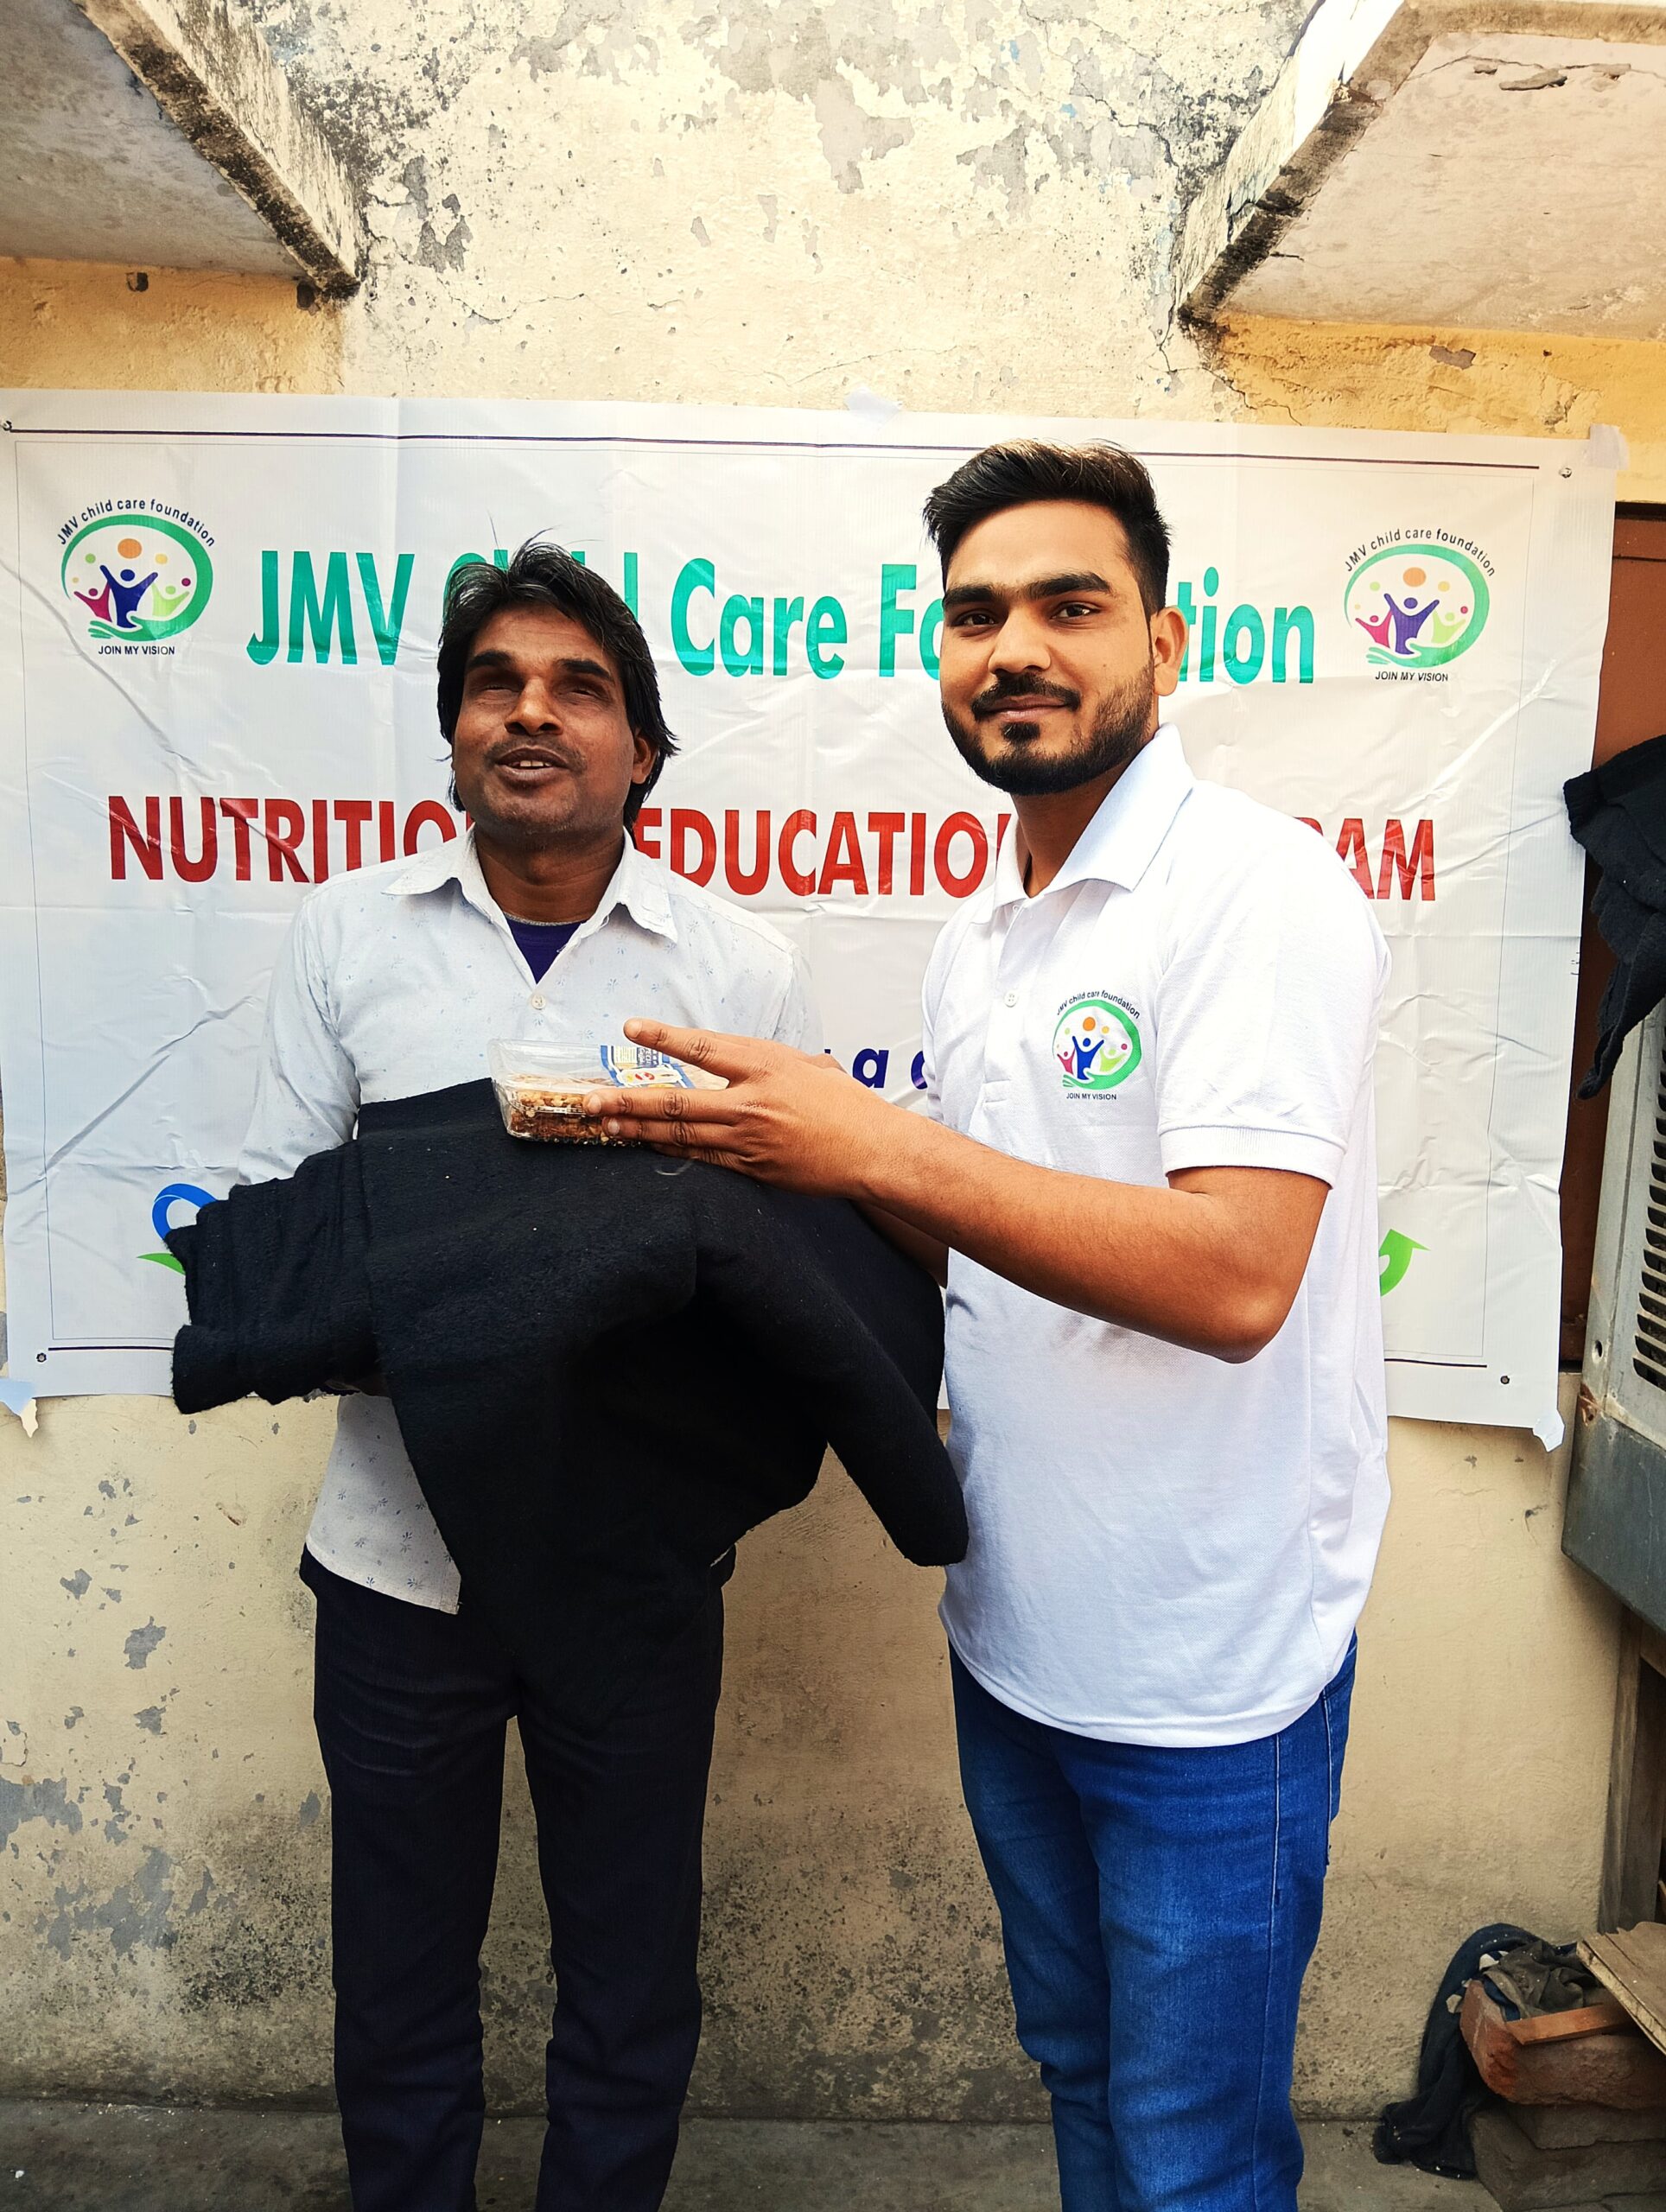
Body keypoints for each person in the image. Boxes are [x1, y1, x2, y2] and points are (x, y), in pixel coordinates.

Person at [592, 442, 1390, 2212]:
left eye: (1068, 605)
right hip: (1018, 1628)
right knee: (1081, 2078)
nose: (1013, 645)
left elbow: (1233, 1277)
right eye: (973, 613)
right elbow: (992, 1223)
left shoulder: (1255, 892)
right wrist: (802, 1138)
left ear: (1164, 645)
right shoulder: (989, 933)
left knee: (1192, 2152)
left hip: (1208, 1668)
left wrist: (874, 1138)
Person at [238, 538, 815, 2212]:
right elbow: (284, 1220)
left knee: (631, 1981)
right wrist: (462, 1266)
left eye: (579, 687)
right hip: (397, 1563)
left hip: (633, 1572)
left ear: (641, 746)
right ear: (450, 733)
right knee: (398, 1984)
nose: (531, 713)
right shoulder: (348, 933)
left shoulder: (734, 966)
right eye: (495, 682)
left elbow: (769, 1264)